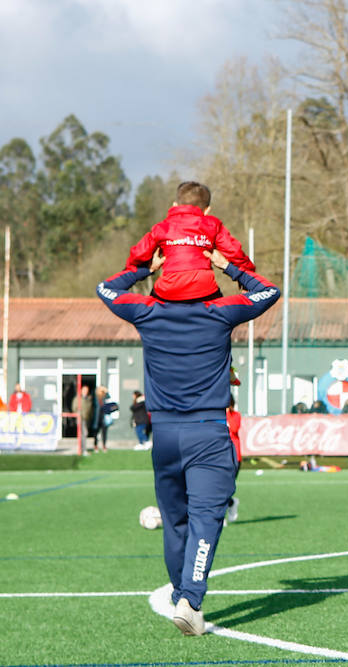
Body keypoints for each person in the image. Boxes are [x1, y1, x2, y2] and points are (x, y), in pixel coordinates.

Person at [97, 247, 279, 635]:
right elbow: (268, 291)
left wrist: (144, 268)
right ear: (206, 285)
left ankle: (182, 592)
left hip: (163, 434)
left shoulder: (147, 312)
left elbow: (105, 288)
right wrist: (228, 265)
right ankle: (191, 600)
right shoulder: (219, 313)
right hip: (209, 432)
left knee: (175, 521)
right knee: (206, 518)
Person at [126, 181, 255, 301]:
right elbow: (235, 252)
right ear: (207, 210)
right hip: (205, 289)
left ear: (175, 205)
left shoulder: (162, 227)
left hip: (168, 290)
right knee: (221, 315)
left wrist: (126, 273)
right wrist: (247, 278)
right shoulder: (212, 225)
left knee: (150, 311)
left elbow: (139, 253)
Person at [225, 394, 242, 525]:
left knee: (225, 488)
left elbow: (234, 428)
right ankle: (231, 503)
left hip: (234, 456)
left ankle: (222, 513)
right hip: (218, 455)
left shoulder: (235, 415)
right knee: (215, 487)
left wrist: (227, 413)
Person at [79, 384, 95, 455]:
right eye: (84, 390)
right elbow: (74, 407)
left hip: (86, 418)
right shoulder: (78, 398)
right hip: (80, 418)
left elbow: (90, 408)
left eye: (87, 390)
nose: (85, 392)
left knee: (85, 433)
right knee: (83, 433)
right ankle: (82, 449)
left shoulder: (89, 398)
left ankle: (83, 449)